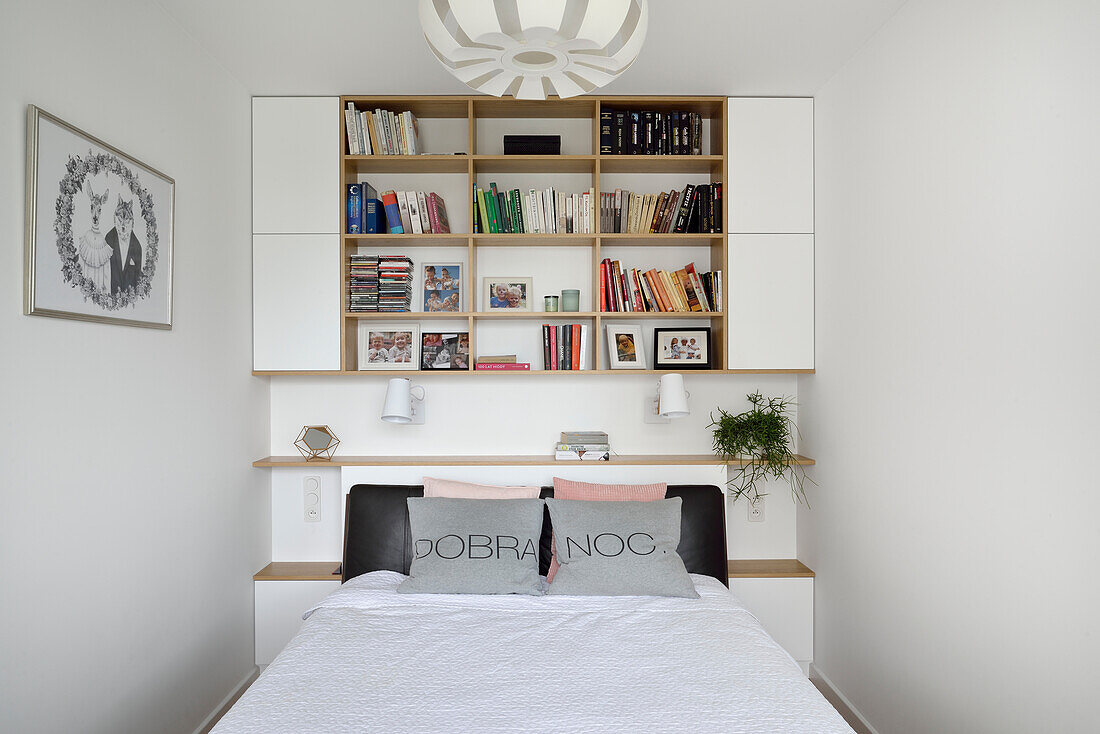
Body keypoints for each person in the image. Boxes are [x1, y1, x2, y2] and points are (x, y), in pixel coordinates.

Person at [78, 178, 111, 293]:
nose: (95, 215)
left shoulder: (103, 241)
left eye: (99, 210)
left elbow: (105, 271)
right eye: (93, 208)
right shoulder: (85, 238)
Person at [105, 196, 141, 295]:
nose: (123, 225)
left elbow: (138, 280)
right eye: (120, 219)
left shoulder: (137, 246)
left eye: (127, 220)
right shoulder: (108, 239)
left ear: (132, 221)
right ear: (115, 218)